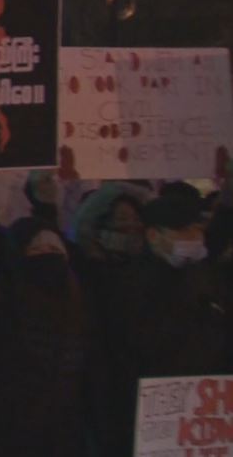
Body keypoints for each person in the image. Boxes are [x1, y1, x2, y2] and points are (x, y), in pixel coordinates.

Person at [86, 186, 232, 456]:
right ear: (154, 236)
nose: (195, 237)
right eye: (184, 230)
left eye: (198, 229)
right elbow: (139, 348)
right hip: (153, 417)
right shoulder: (129, 286)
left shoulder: (206, 278)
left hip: (206, 417)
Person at [0, 215, 89, 456]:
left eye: (54, 250)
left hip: (61, 431)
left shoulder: (78, 305)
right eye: (37, 250)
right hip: (10, 429)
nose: (47, 256)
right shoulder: (5, 302)